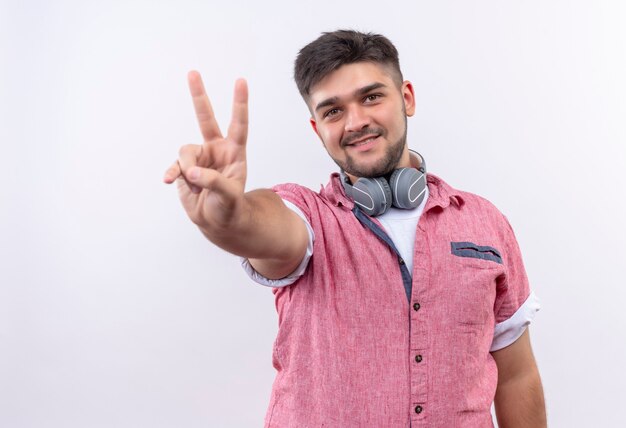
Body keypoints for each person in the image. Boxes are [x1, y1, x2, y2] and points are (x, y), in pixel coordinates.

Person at [163, 30, 546, 427]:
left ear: (407, 98)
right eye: (333, 111)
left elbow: (516, 376)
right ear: (317, 128)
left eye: (371, 97)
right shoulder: (308, 217)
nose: (356, 122)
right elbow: (262, 228)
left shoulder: (485, 221)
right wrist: (229, 217)